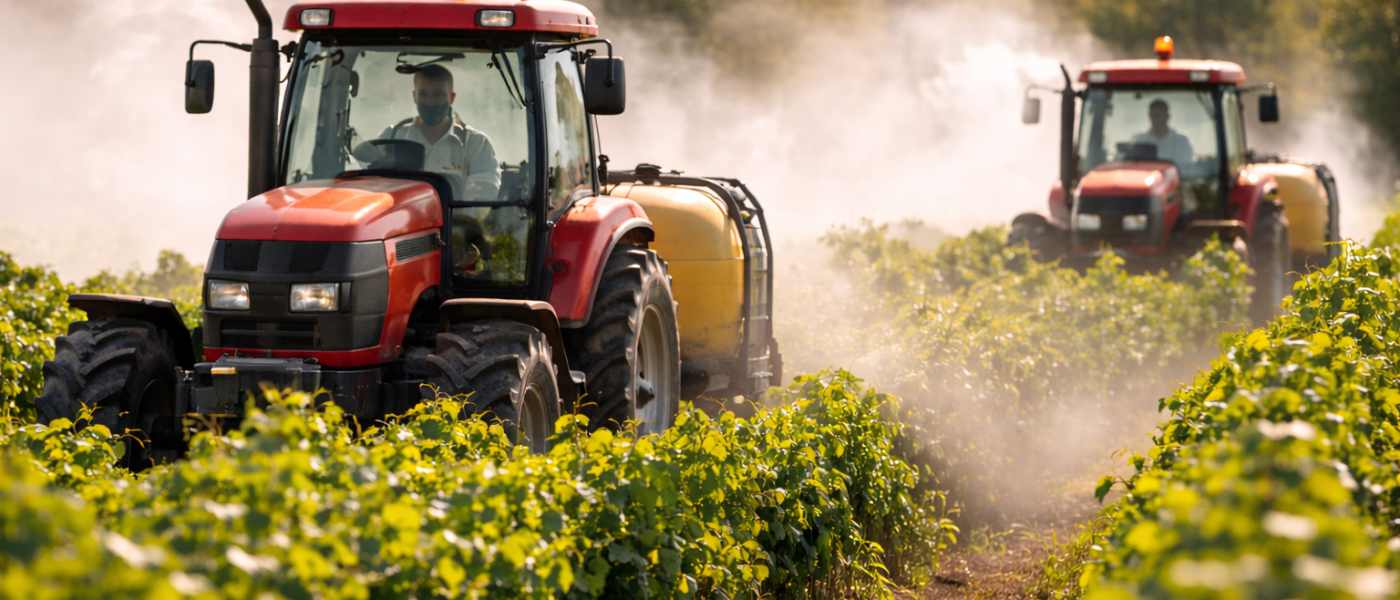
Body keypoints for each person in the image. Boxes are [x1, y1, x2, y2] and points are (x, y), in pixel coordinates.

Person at [378, 64, 500, 201]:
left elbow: (489, 189)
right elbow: (371, 180)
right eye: (423, 94)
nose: (430, 102)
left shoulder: (475, 143)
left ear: (451, 97)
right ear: (414, 96)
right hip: (405, 221)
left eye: (438, 94)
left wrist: (443, 186)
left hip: (456, 221)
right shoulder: (393, 137)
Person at [1131, 99, 1194, 171]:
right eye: (1153, 115)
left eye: (1158, 114)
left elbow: (1185, 167)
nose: (1155, 118)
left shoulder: (1181, 140)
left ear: (1167, 116)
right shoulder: (1139, 140)